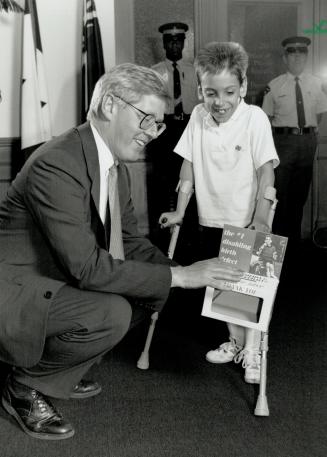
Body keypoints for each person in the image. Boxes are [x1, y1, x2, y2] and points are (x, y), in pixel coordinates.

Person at [0, 63, 243, 440]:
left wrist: (188, 272)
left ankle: (60, 372)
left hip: (54, 279)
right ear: (111, 106)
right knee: (111, 311)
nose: (153, 134)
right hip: (15, 292)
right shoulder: (58, 162)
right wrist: (180, 277)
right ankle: (23, 386)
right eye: (147, 119)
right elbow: (88, 269)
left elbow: (129, 242)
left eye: (158, 125)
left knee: (152, 294)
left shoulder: (115, 167)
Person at [159, 42, 279, 384]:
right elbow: (188, 166)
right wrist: (180, 211)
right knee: (223, 287)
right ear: (200, 90)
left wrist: (261, 218)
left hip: (247, 220)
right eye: (211, 93)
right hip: (210, 218)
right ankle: (236, 342)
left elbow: (266, 173)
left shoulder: (253, 118)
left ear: (242, 87)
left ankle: (253, 351)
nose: (220, 102)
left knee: (250, 288)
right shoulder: (198, 116)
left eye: (229, 92)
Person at [262, 36, 327, 240]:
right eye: (292, 53)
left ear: (306, 56)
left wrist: (307, 134)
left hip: (307, 143)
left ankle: (294, 245)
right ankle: (278, 244)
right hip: (282, 143)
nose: (297, 57)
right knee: (280, 197)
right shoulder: (274, 86)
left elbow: (320, 114)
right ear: (284, 58)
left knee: (300, 197)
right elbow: (266, 119)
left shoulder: (318, 84)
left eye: (302, 53)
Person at [148, 22, 199, 249]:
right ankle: (160, 241)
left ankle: (187, 238)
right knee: (162, 185)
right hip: (163, 131)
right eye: (170, 40)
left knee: (187, 182)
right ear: (164, 44)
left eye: (179, 40)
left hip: (189, 128)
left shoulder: (194, 71)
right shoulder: (154, 72)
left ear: (184, 43)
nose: (174, 44)